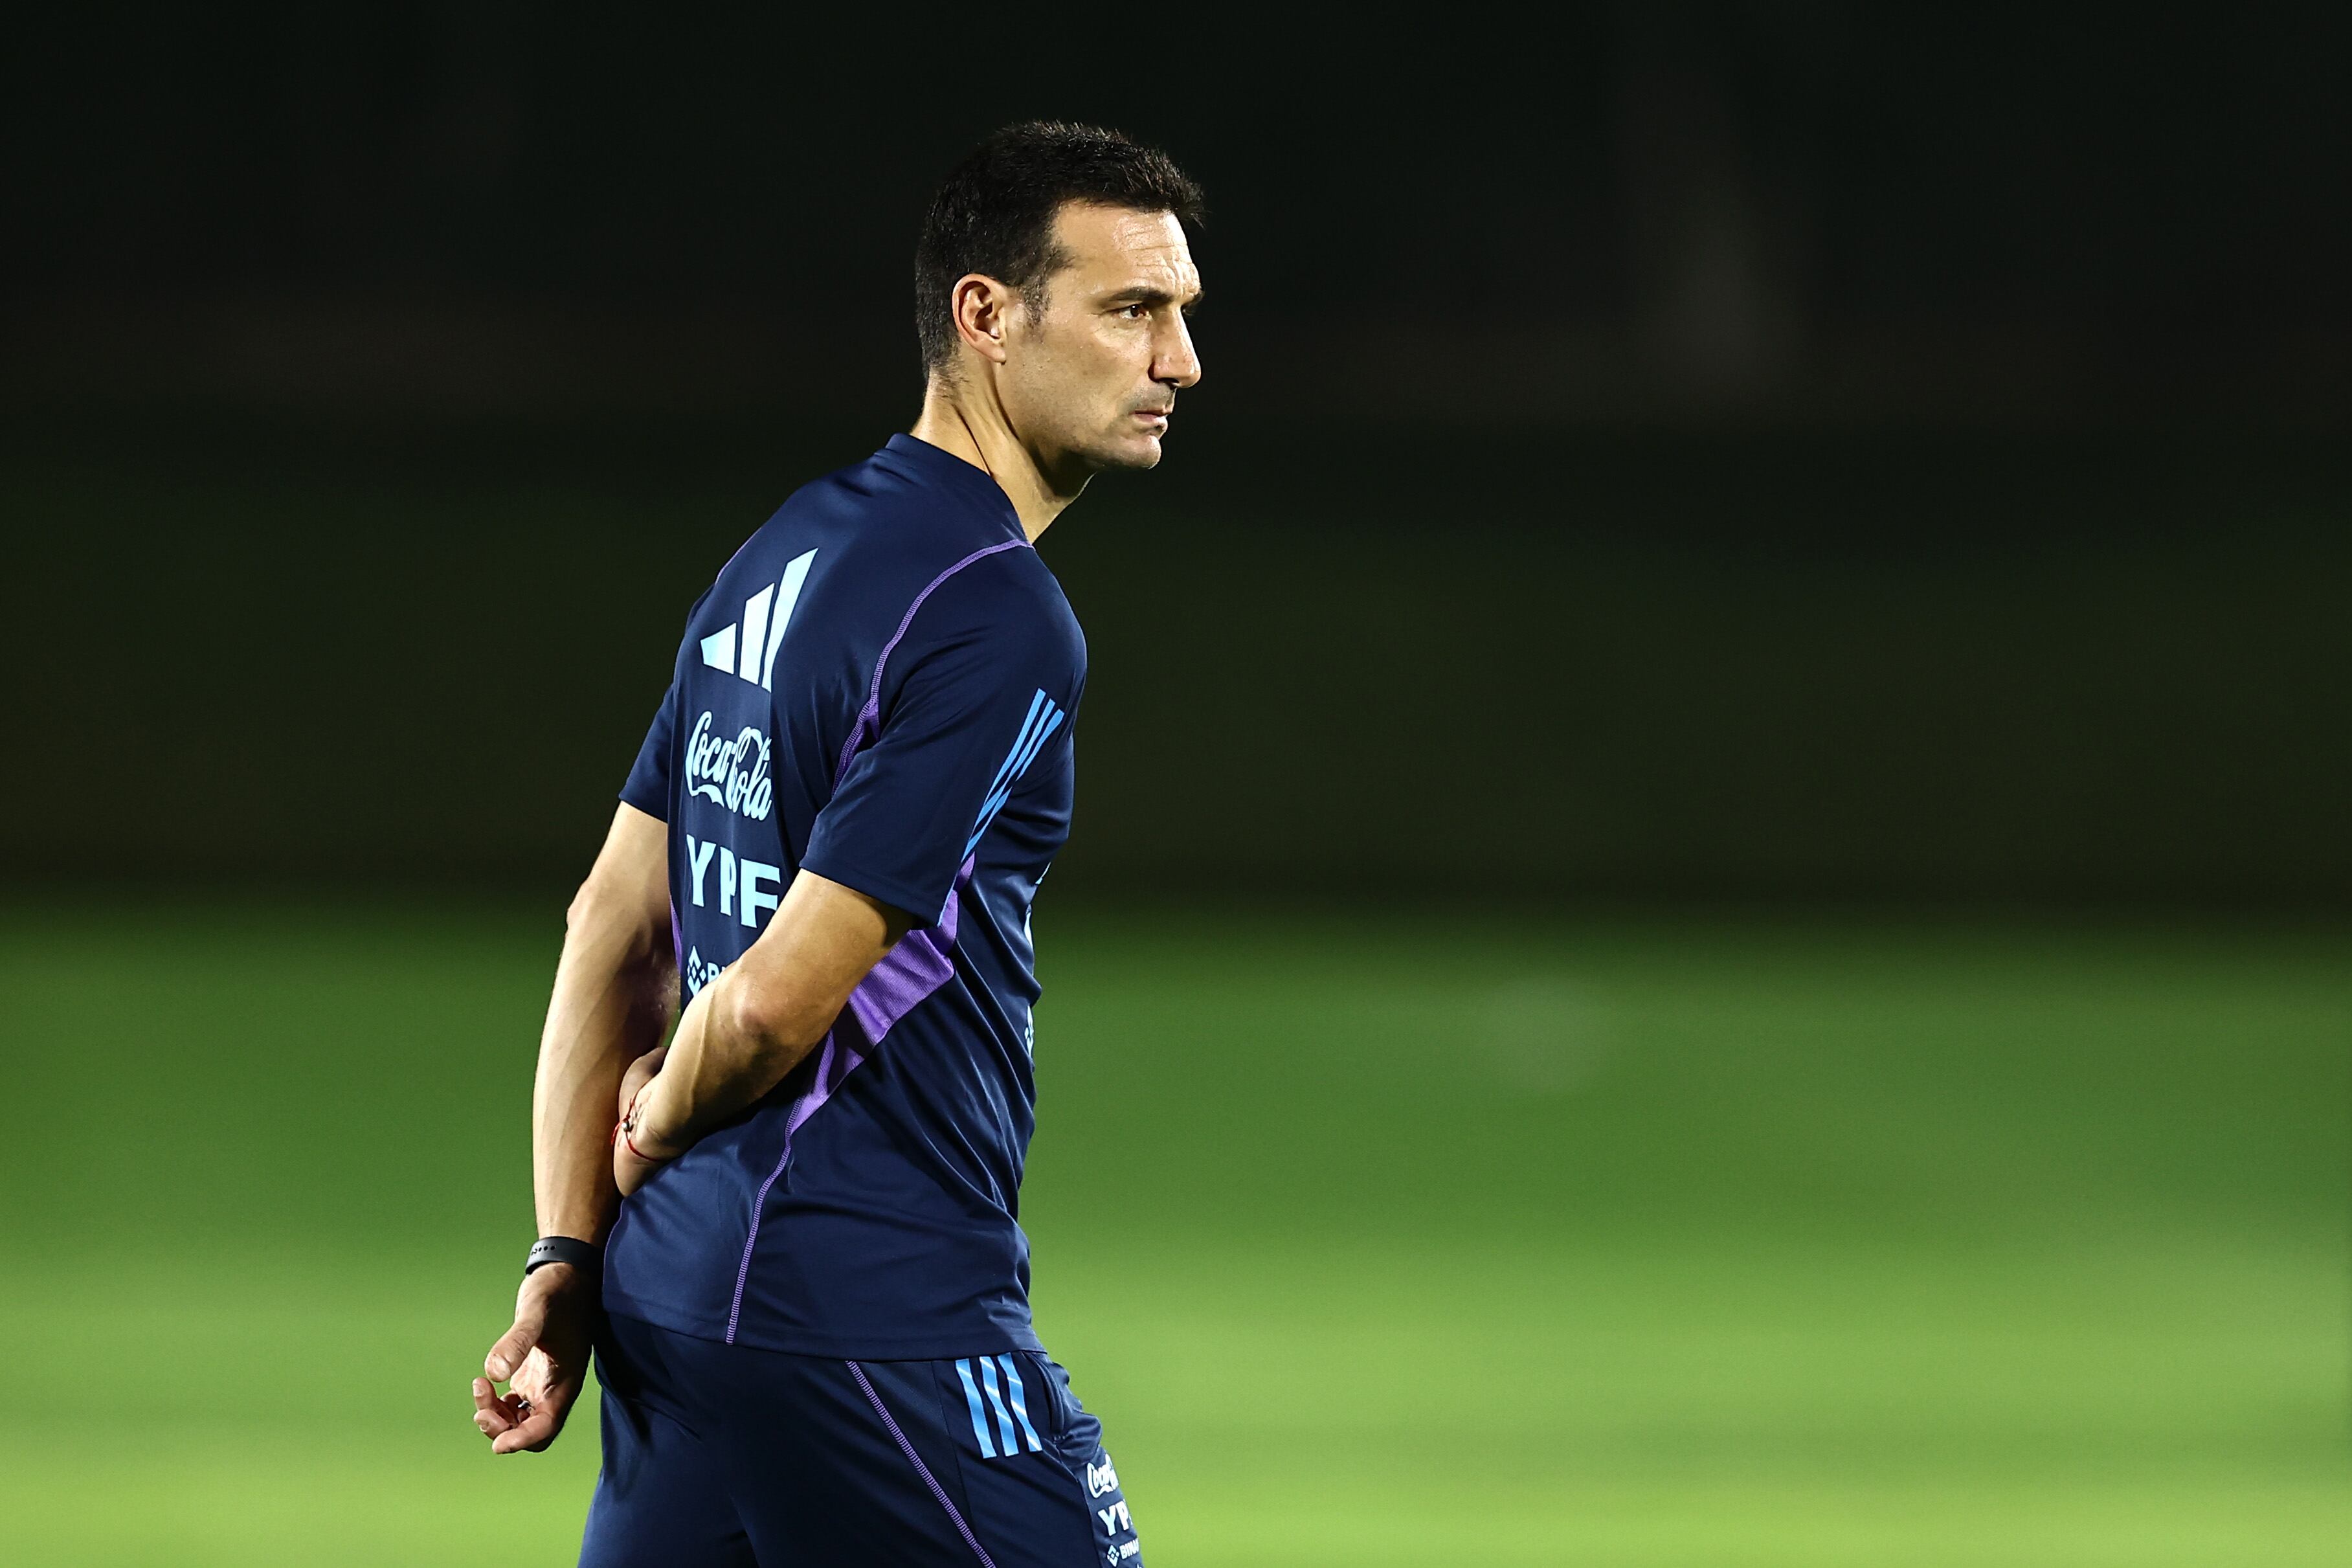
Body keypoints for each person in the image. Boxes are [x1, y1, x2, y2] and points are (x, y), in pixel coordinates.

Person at [469, 120, 1202, 1567]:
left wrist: (567, 1253)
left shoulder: (785, 548)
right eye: (1133, 310)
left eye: (1180, 315)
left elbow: (609, 920)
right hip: (868, 1316)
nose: (1179, 360)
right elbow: (769, 997)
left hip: (674, 1311)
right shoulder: (994, 610)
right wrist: (661, 1109)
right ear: (987, 316)